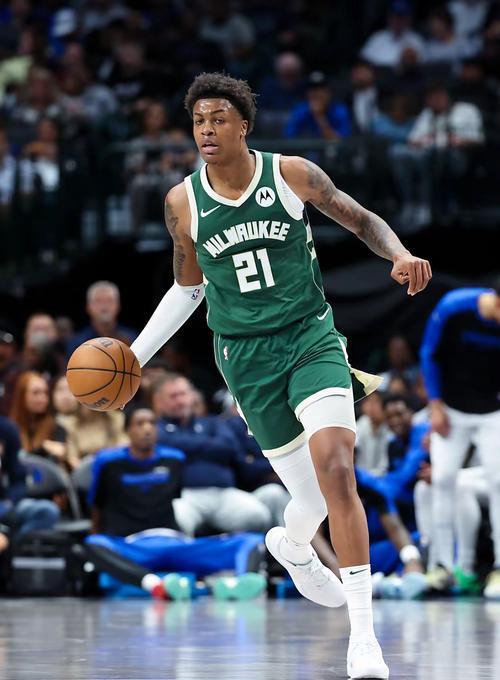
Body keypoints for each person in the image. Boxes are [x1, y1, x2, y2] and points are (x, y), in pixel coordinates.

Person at [128, 72, 432, 678]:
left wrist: (399, 253)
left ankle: (364, 639)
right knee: (311, 497)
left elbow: (361, 219)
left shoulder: (291, 174)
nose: (206, 130)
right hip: (246, 360)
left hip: (310, 339)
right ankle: (293, 546)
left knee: (338, 470)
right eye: (198, 121)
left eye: (218, 118)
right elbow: (188, 289)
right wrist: (136, 356)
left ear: (243, 125)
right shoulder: (182, 203)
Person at [85, 406, 266, 601]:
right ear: (127, 430)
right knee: (94, 543)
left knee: (251, 540)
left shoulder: (174, 459)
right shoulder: (107, 462)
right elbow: (96, 507)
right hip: (134, 546)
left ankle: (238, 585)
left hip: (176, 542)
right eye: (139, 424)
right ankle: (156, 585)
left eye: (152, 423)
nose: (147, 429)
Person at [420, 285, 500, 597]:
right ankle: (442, 566)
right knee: (442, 479)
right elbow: (429, 353)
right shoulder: (454, 307)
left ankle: (498, 569)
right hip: (451, 411)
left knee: (498, 481)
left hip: (492, 411)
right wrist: (435, 404)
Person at [152, 373, 272, 535]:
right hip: (186, 496)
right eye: (173, 396)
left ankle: (258, 551)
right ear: (159, 401)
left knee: (258, 515)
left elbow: (229, 447)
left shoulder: (212, 422)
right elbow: (165, 443)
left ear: (192, 396)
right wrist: (208, 445)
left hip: (224, 493)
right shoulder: (156, 429)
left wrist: (186, 447)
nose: (180, 400)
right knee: (178, 519)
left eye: (183, 394)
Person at [389, 83, 484, 229]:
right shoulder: (428, 114)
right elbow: (412, 139)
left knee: (431, 157)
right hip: (427, 153)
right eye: (431, 97)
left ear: (447, 96)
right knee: (397, 152)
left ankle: (425, 206)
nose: (435, 100)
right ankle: (409, 203)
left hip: (458, 155)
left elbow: (478, 139)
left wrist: (458, 141)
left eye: (439, 96)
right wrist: (425, 140)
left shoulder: (466, 110)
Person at [0, 415, 60, 551]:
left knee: (47, 511)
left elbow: (18, 479)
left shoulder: (6, 429)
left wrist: (10, 502)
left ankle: (11, 541)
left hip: (5, 503)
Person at [67, 280, 136, 356]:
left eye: (109, 301)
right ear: (88, 307)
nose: (104, 307)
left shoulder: (132, 338)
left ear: (118, 306)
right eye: (98, 301)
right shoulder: (78, 343)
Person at [9, 371, 66, 461]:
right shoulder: (9, 429)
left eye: (45, 393)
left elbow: (57, 459)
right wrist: (43, 448)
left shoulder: (56, 428)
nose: (42, 399)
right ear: (22, 395)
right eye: (35, 393)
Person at [284, 71, 351, 140]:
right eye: (313, 89)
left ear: (328, 92)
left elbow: (342, 142)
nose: (316, 93)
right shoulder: (301, 110)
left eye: (320, 89)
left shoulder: (339, 111)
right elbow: (288, 137)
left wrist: (319, 117)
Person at [355, 391, 391, 475]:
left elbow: (386, 466)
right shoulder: (362, 422)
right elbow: (353, 446)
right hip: (361, 476)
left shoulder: (390, 426)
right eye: (368, 401)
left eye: (376, 402)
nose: (371, 406)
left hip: (384, 477)